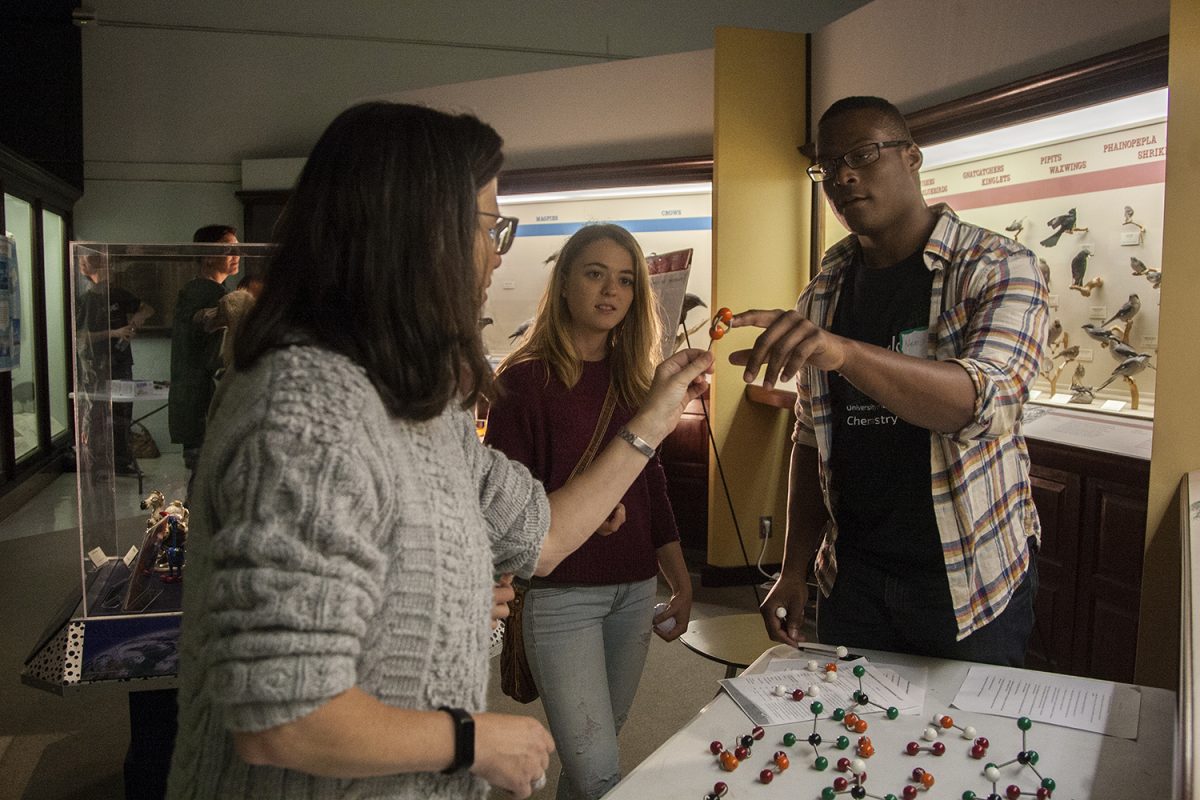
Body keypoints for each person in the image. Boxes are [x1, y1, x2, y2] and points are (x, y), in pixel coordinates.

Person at [164, 102, 712, 800]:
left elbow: (540, 536)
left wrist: (655, 418)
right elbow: (283, 714)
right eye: (490, 227)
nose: (498, 250)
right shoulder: (307, 412)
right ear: (414, 234)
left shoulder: (419, 403)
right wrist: (474, 738)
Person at [732, 96, 1048, 666]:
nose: (844, 175)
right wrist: (793, 566)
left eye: (863, 154)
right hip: (853, 579)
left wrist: (845, 353)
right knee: (851, 740)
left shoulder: (996, 266)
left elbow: (983, 402)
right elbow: (810, 440)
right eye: (828, 167)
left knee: (966, 745)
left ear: (913, 158)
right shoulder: (823, 293)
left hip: (967, 578)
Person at [485, 224, 692, 800]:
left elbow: (652, 486)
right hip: (560, 596)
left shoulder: (636, 379)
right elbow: (505, 504)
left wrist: (676, 577)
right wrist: (577, 517)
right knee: (598, 765)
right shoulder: (523, 382)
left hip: (632, 588)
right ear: (566, 282)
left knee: (593, 755)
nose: (611, 290)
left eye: (625, 280)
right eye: (595, 273)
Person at [167, 224, 239, 479]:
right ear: (208, 255)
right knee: (203, 481)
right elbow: (200, 320)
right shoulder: (202, 291)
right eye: (228, 249)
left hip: (201, 399)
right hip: (201, 402)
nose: (236, 255)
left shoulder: (209, 290)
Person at [78, 254, 154, 474]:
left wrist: (136, 320)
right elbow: (82, 337)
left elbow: (148, 308)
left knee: (123, 411)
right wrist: (113, 332)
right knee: (96, 413)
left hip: (120, 362)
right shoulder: (85, 300)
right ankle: (97, 462)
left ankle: (121, 461)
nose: (110, 271)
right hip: (95, 365)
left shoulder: (118, 294)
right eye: (104, 266)